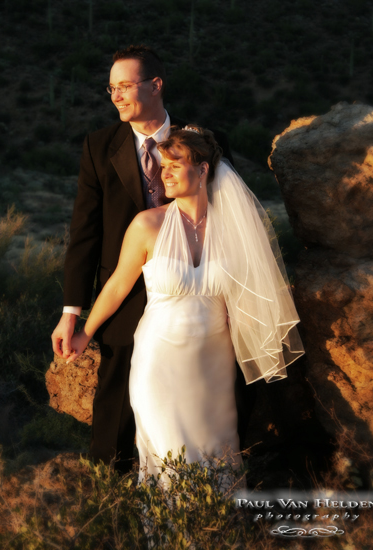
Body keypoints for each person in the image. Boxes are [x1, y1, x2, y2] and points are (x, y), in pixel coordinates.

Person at [66, 125, 305, 482]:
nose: (166, 174)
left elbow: (252, 290)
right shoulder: (147, 225)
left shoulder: (234, 229)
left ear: (203, 169)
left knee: (216, 453)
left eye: (175, 165)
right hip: (157, 359)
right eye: (163, 167)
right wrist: (84, 331)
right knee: (165, 452)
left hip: (214, 364)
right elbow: (117, 285)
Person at [50, 45, 239, 474]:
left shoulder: (208, 142)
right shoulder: (99, 147)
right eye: (111, 88)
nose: (116, 96)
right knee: (114, 419)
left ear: (155, 85)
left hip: (201, 300)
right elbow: (85, 233)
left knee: (209, 415)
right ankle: (111, 511)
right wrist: (71, 313)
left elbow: (232, 222)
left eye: (125, 86)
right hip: (124, 297)